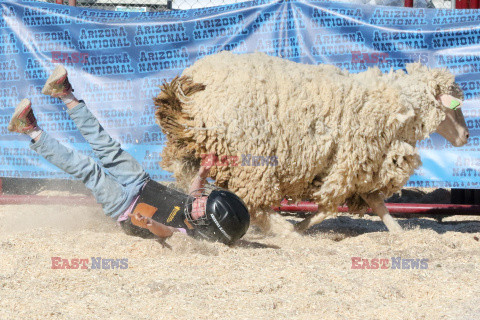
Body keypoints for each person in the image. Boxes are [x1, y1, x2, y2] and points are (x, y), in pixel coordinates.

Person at [8, 65, 250, 245]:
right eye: (204, 198)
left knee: (88, 170)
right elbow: (193, 192)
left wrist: (152, 224)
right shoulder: (195, 209)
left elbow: (168, 233)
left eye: (203, 205)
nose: (199, 199)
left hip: (124, 204)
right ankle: (64, 92)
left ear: (208, 222)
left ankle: (30, 130)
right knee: (105, 145)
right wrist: (203, 171)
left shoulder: (192, 232)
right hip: (140, 181)